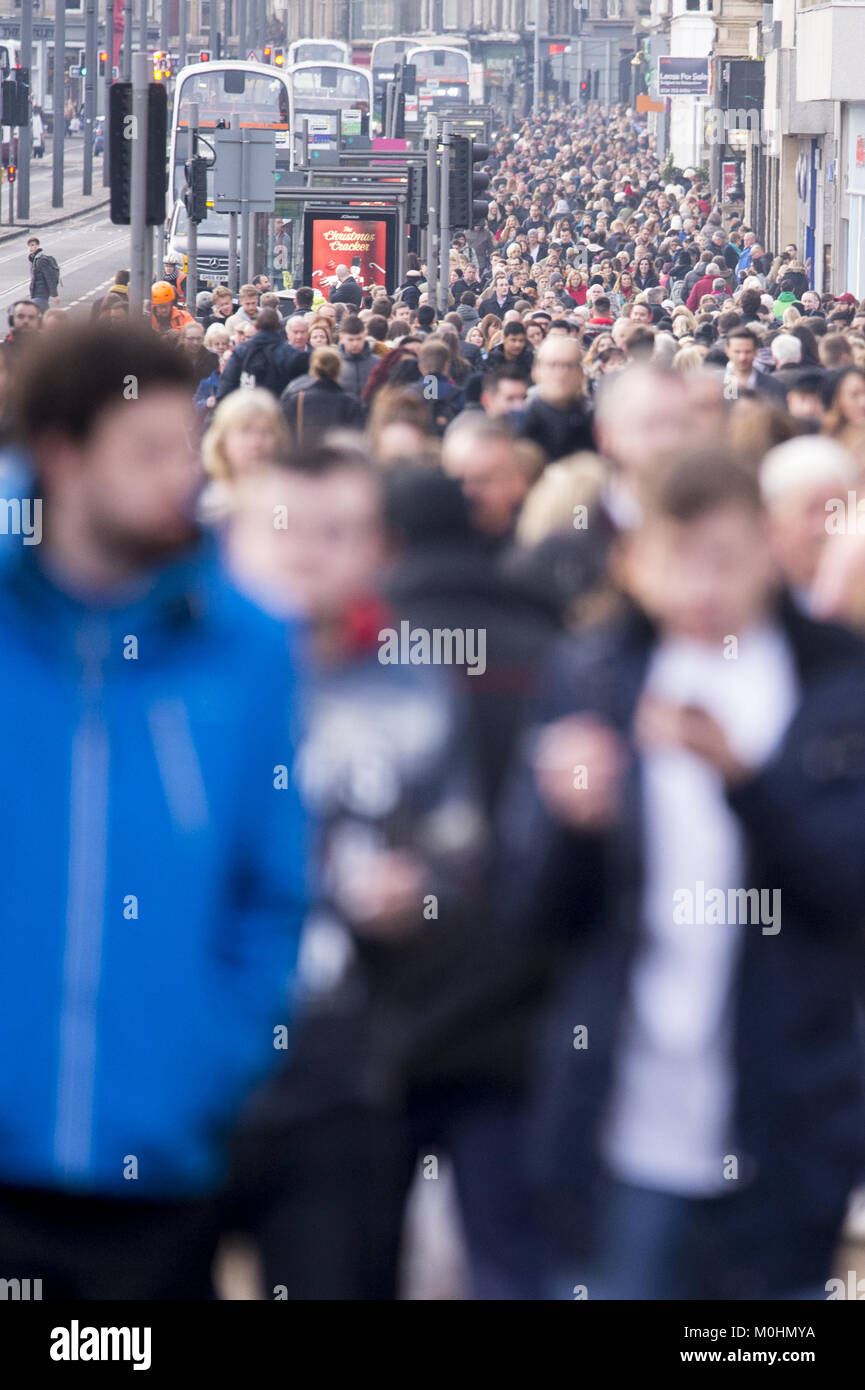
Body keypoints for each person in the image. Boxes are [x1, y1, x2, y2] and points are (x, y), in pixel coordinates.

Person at [504, 451, 865, 1300]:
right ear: (632, 565)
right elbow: (527, 912)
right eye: (677, 561)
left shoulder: (834, 682)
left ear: (769, 552)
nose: (703, 588)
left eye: (727, 559)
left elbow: (847, 887)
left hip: (784, 1117)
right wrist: (568, 826)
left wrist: (746, 785)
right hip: (620, 1121)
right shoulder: (591, 675)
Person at [0, 322, 307, 1299]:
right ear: (63, 455)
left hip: (159, 1159)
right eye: (146, 453)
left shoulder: (245, 644)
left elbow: (274, 886)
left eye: (186, 447)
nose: (179, 477)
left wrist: (214, 1064)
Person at [519, 335, 594, 463]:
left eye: (569, 365)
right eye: (552, 365)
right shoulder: (518, 426)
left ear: (581, 373)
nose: (561, 372)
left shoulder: (594, 425)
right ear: (536, 371)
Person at [216, 308, 308, 401]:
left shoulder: (241, 351)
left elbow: (227, 385)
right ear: (279, 326)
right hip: (279, 409)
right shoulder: (291, 354)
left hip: (246, 408)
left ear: (256, 326)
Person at [281, 346, 365, 444]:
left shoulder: (297, 400)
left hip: (304, 456)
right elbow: (356, 438)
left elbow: (285, 436)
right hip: (338, 457)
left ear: (313, 370)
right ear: (339, 369)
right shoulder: (351, 403)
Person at [338, 315, 377, 401]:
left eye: (359, 339)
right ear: (341, 337)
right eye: (351, 340)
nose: (355, 344)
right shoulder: (333, 364)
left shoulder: (378, 364)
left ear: (365, 335)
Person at [27, 237, 60, 312]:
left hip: (41, 294)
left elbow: (49, 277)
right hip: (36, 294)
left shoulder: (41, 260)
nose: (30, 248)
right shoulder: (34, 260)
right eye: (29, 246)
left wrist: (55, 295)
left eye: (32, 245)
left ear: (38, 246)